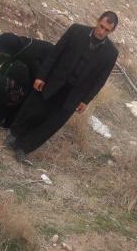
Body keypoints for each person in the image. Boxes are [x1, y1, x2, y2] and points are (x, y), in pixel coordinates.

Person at [7, 11, 119, 158]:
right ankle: (14, 134)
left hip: (74, 94)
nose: (102, 31)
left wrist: (86, 100)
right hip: (54, 81)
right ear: (97, 21)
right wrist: (41, 76)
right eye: (101, 26)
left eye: (107, 30)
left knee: (52, 124)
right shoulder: (76, 31)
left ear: (112, 31)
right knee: (34, 108)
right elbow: (55, 53)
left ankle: (24, 147)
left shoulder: (111, 53)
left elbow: (100, 80)